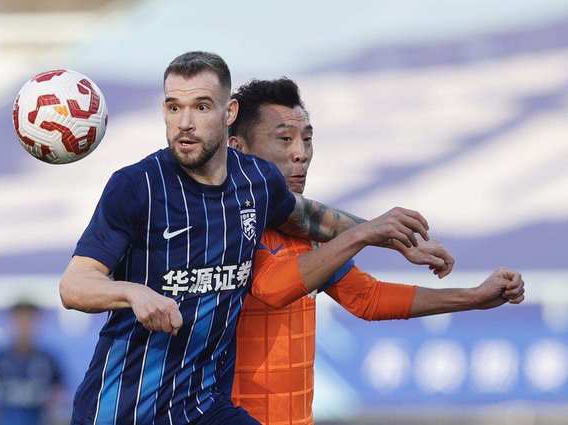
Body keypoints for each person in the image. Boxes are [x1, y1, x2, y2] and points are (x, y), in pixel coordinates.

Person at [59, 51, 449, 425]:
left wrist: (399, 241)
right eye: (174, 107)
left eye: (201, 107)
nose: (185, 122)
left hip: (201, 407)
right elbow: (75, 286)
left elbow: (311, 218)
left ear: (229, 113)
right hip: (123, 410)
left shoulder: (256, 181)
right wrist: (132, 293)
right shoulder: (136, 186)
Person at [225, 77, 526, 425]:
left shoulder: (306, 230)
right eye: (284, 139)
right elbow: (273, 287)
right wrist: (364, 234)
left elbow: (366, 298)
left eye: (307, 139)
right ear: (238, 147)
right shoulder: (221, 221)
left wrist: (473, 297)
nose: (301, 153)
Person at [0, 300, 65, 425]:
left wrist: (54, 405)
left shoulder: (48, 359)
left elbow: (60, 390)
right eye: (20, 321)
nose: (24, 327)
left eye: (29, 321)